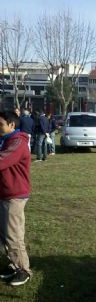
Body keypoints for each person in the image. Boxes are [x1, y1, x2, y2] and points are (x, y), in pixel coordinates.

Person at [0, 111, 33, 286]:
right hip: (5, 193)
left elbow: (2, 161)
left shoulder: (17, 143)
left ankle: (23, 270)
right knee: (5, 234)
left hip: (15, 195)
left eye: (0, 125)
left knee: (14, 234)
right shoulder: (5, 140)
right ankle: (13, 265)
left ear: (12, 125)